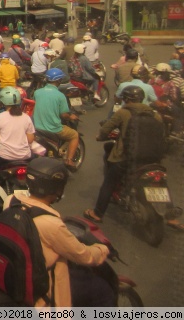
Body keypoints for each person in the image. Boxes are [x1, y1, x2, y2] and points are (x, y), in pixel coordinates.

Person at [11, 158, 111, 307]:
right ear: (56, 189)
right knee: (103, 291)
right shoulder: (52, 225)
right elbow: (84, 256)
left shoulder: (12, 202)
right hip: (45, 287)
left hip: (19, 276)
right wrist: (102, 249)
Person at [83, 85, 163, 224]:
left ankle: (97, 213)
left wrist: (100, 137)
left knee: (109, 182)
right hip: (152, 158)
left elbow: (106, 129)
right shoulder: (155, 115)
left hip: (125, 156)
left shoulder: (123, 113)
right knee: (161, 182)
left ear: (126, 99)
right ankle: (172, 218)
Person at [33, 68, 80, 170]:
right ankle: (69, 160)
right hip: (53, 129)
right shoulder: (60, 96)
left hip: (37, 127)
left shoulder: (37, 92)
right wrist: (71, 116)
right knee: (74, 135)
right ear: (58, 80)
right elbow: (64, 115)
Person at [0, 87, 35, 169]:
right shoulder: (27, 118)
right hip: (24, 156)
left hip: (3, 156)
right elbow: (30, 140)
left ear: (2, 102)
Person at [0, 52, 21, 117]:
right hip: (13, 87)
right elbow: (17, 77)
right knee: (18, 100)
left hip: (3, 87)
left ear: (0, 60)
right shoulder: (13, 67)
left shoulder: (0, 68)